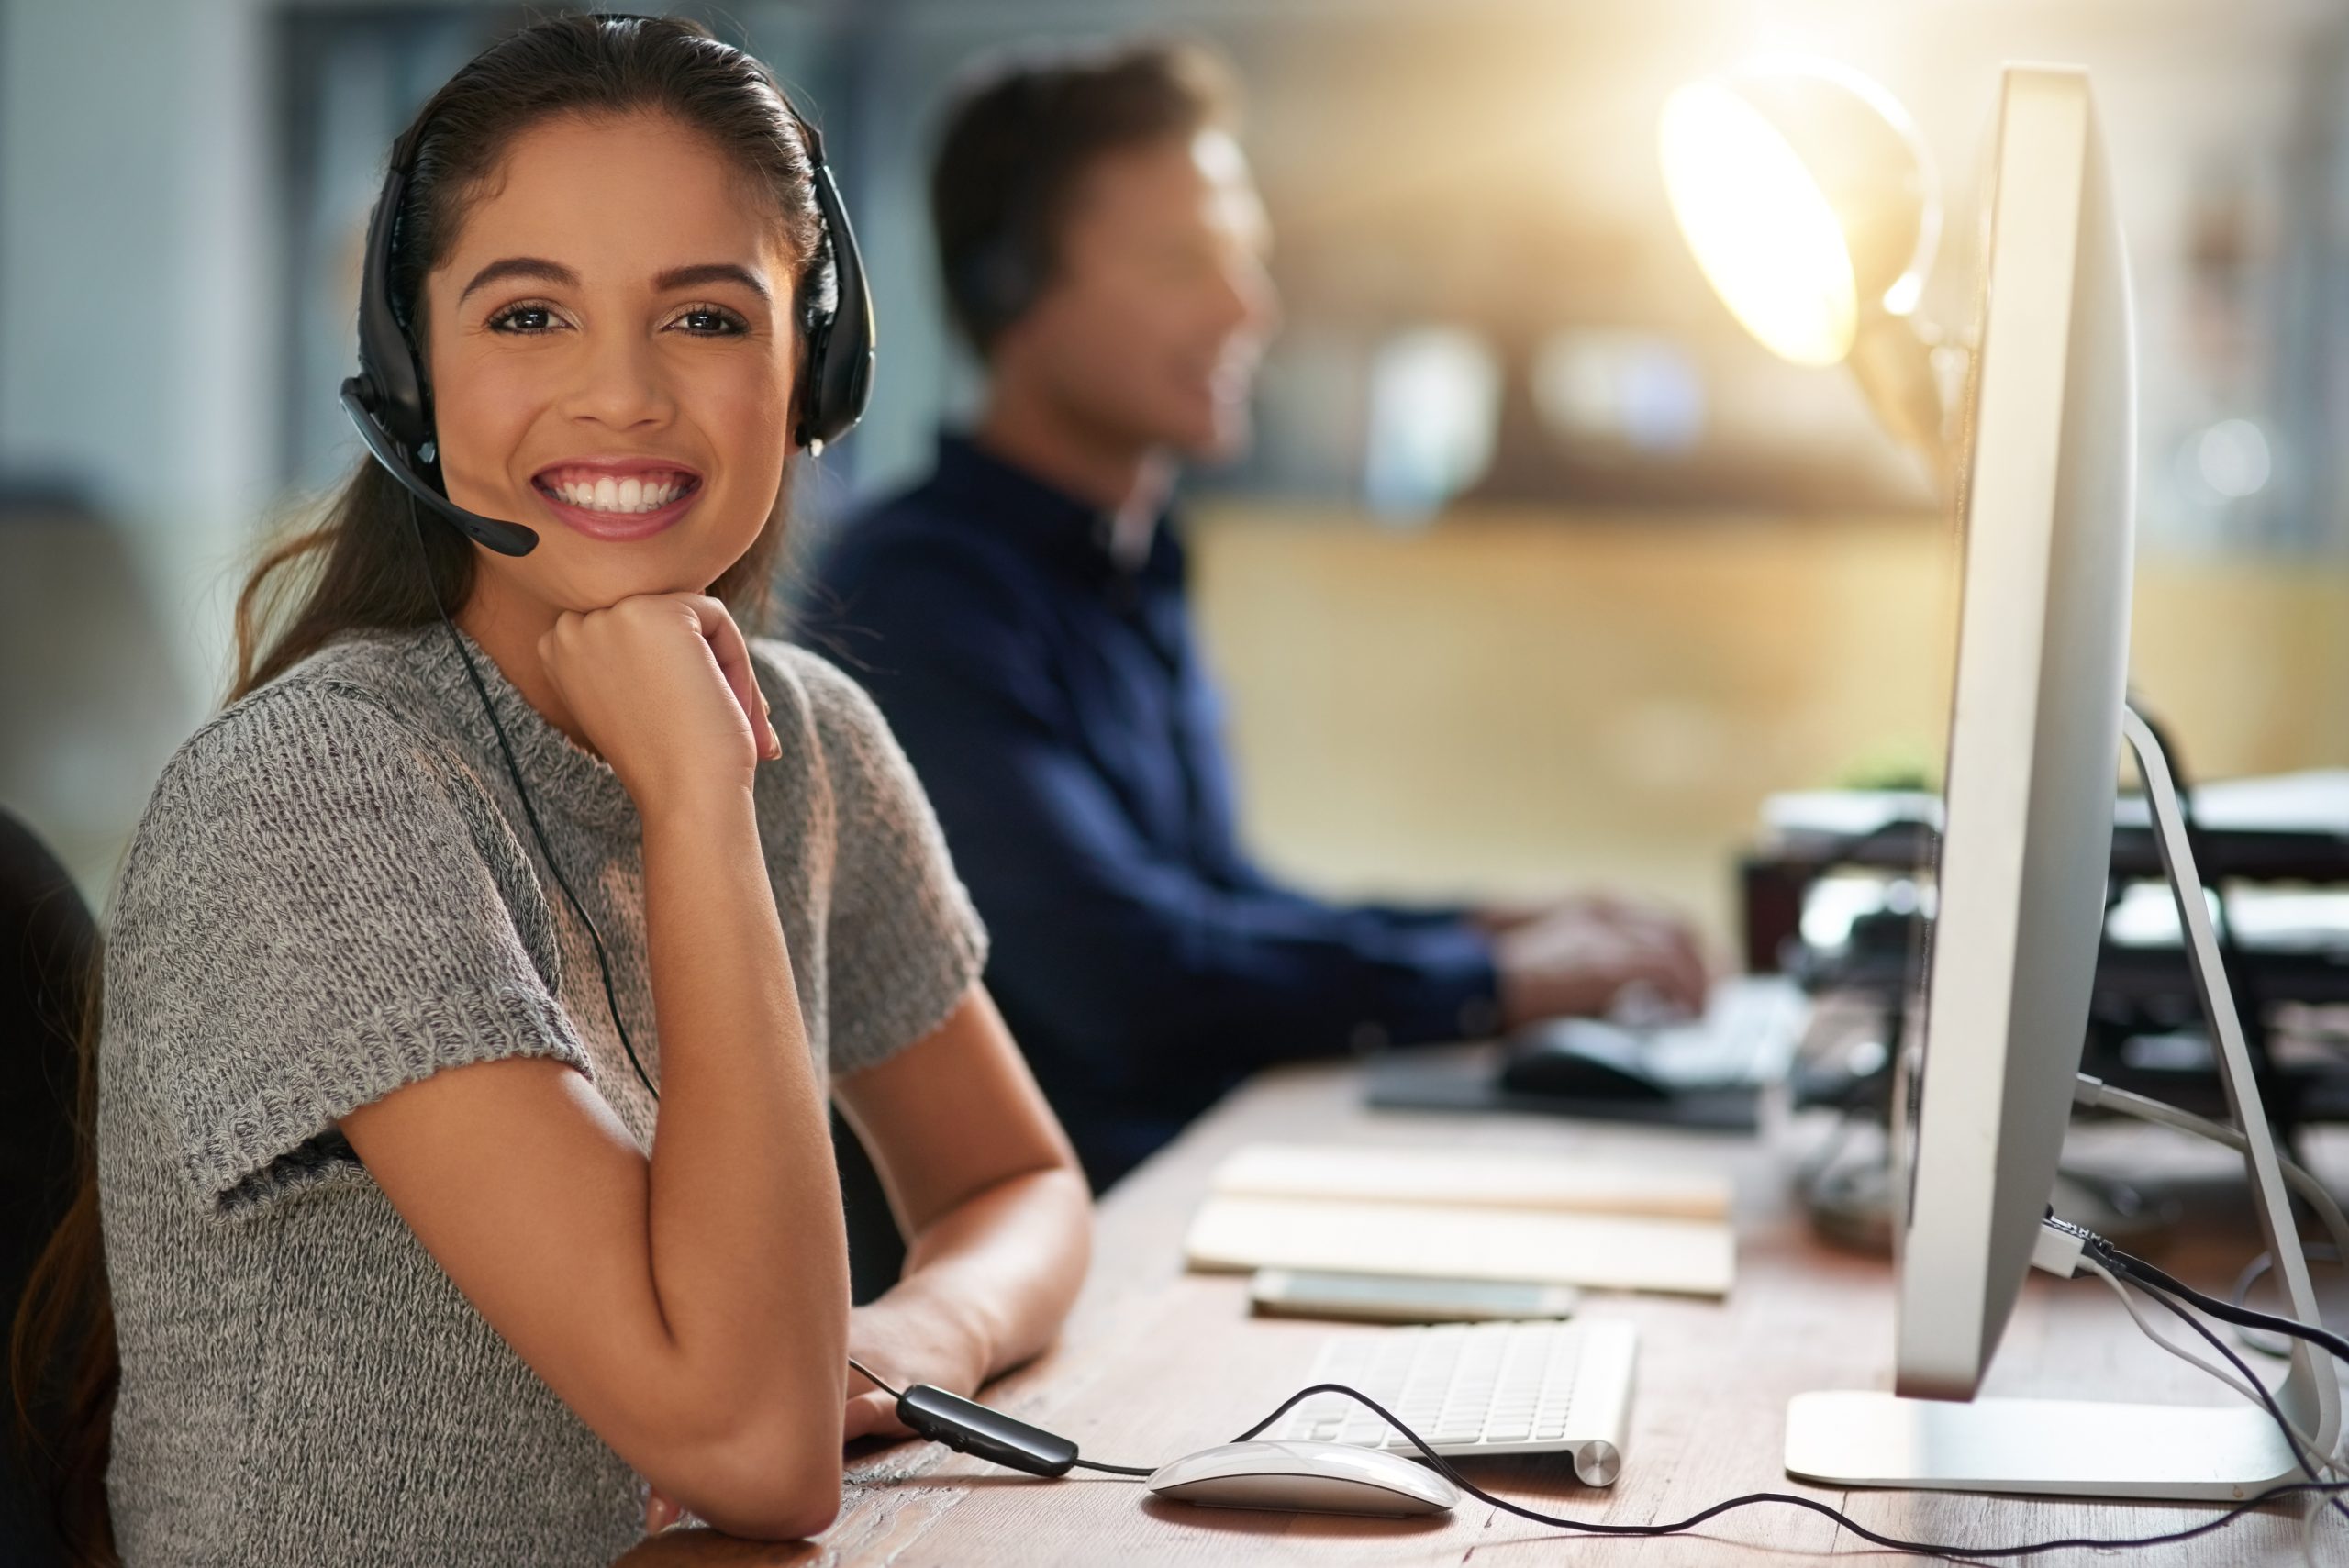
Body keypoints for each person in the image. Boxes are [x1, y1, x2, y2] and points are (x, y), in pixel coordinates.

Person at [9, 16, 1088, 1565]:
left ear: (818, 367)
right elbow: (749, 1442)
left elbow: (1016, 1174)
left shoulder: (813, 736)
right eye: (528, 316)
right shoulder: (312, 800)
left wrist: (924, 1331)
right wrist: (696, 804)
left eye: (707, 320)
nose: (625, 397)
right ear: (412, 378)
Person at [799, 38, 1710, 1191]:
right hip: (1068, 1244)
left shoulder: (1137, 560)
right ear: (1007, 289)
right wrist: (1499, 983)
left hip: (1186, 1185)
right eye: (1186, 261)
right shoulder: (915, 599)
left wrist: (1487, 927)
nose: (1249, 305)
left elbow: (1214, 899)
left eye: (1246, 259)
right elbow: (1124, 979)